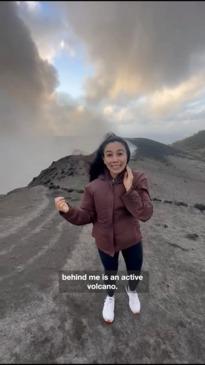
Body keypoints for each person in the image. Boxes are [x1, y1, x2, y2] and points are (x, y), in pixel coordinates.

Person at [55, 135, 153, 324]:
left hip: (131, 239)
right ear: (103, 159)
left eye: (119, 153)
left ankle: (131, 290)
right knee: (110, 271)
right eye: (109, 155)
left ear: (127, 156)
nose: (115, 159)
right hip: (105, 242)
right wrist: (68, 211)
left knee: (134, 269)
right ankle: (110, 296)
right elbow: (86, 216)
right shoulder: (93, 187)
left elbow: (145, 213)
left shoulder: (138, 178)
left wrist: (128, 190)